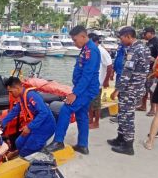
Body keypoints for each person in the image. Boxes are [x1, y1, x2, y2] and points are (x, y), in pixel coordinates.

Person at [48, 25, 101, 155]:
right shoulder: (85, 48)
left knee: (66, 109)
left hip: (86, 90)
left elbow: (87, 75)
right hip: (82, 88)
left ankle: (58, 141)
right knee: (82, 115)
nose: (74, 42)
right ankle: (83, 145)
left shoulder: (91, 51)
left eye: (75, 40)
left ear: (83, 36)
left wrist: (75, 94)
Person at [107, 26, 151, 155]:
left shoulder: (135, 50)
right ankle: (120, 138)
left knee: (127, 116)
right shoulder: (144, 48)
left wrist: (117, 90)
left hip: (131, 88)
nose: (121, 41)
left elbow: (127, 72)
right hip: (136, 87)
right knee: (123, 114)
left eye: (121, 38)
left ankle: (128, 145)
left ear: (128, 36)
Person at [2, 77, 56, 157]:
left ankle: (30, 154)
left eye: (11, 91)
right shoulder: (22, 97)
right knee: (18, 142)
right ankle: (20, 153)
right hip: (36, 125)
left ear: (17, 88)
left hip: (46, 126)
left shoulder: (31, 96)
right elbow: (14, 111)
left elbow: (44, 112)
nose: (10, 94)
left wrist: (29, 127)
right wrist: (2, 123)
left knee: (27, 149)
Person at [137, 27, 158, 116]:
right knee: (145, 88)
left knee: (151, 90)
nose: (144, 35)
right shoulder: (149, 42)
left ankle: (153, 109)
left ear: (151, 33)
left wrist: (154, 60)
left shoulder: (157, 43)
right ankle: (143, 106)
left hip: (153, 70)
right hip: (146, 69)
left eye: (145, 33)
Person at [88, 33, 113, 129]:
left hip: (98, 83)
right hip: (91, 81)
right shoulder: (91, 50)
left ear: (96, 42)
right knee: (90, 102)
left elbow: (109, 66)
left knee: (96, 104)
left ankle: (96, 122)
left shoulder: (102, 51)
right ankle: (90, 119)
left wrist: (106, 80)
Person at [109, 42, 128, 123]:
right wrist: (113, 71)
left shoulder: (129, 46)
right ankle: (120, 114)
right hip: (118, 72)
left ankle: (122, 116)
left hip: (124, 74)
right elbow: (117, 57)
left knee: (122, 95)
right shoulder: (121, 45)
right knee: (119, 95)